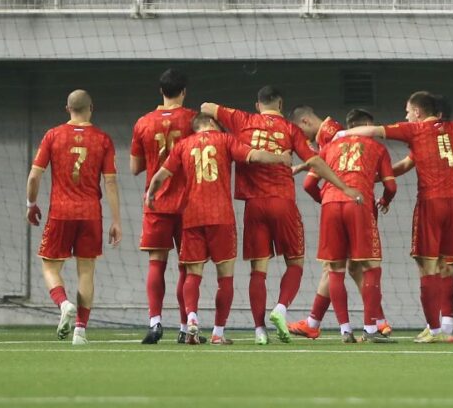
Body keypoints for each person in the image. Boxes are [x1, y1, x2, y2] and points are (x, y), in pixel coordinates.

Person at [201, 86, 362, 345]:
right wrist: (343, 186)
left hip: (254, 205)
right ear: (280, 105)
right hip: (283, 203)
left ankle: (259, 330)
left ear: (258, 105)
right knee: (295, 263)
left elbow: (206, 107)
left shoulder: (243, 119)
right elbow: (315, 162)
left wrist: (223, 122)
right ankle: (281, 309)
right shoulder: (290, 130)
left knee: (258, 271)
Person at [337, 91, 453, 343]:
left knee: (426, 267)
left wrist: (344, 134)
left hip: (431, 204)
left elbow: (373, 131)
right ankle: (452, 324)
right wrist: (381, 176)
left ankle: (434, 329)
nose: (405, 115)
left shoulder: (415, 131)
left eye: (407, 111)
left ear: (417, 113)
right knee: (449, 267)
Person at [145, 113, 290, 345]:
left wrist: (151, 194)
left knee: (193, 274)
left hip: (192, 216)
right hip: (221, 216)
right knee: (225, 278)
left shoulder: (183, 145)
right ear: (212, 123)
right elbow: (253, 156)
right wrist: (280, 157)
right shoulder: (225, 140)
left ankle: (192, 318)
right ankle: (218, 333)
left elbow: (161, 175)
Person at [286, 106, 392, 339]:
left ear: (305, 121)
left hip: (339, 203)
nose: (302, 140)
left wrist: (325, 199)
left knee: (338, 268)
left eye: (300, 132)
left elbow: (322, 168)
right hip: (357, 202)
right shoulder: (338, 136)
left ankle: (361, 322)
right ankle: (375, 322)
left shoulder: (330, 134)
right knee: (358, 266)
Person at [26, 90, 122, 346]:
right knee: (86, 271)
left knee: (50, 266)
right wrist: (116, 220)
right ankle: (80, 331)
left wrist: (31, 203)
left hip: (60, 212)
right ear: (92, 107)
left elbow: (34, 176)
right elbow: (110, 181)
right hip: (90, 213)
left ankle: (64, 303)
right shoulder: (103, 139)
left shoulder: (53, 135)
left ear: (67, 109)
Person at [130, 69, 196, 344]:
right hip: (187, 203)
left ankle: (155, 323)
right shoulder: (193, 119)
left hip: (156, 202)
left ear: (161, 91)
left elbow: (135, 167)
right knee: (187, 267)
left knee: (156, 263)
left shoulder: (144, 122)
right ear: (184, 91)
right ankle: (184, 328)